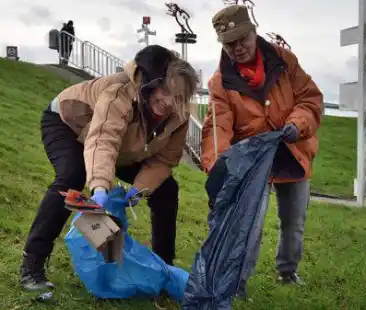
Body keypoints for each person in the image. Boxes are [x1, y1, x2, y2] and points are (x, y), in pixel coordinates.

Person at [19, 45, 199, 291]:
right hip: (68, 123)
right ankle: (32, 264)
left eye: (178, 98)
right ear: (155, 81)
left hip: (125, 146)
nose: (168, 102)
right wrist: (100, 188)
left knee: (166, 190)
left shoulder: (179, 115)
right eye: (166, 91)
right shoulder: (119, 92)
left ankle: (163, 269)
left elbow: (164, 160)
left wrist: (139, 188)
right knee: (72, 177)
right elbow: (103, 141)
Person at [201, 5, 323, 288]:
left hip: (294, 152)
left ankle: (288, 272)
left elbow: (311, 100)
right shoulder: (219, 83)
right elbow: (217, 127)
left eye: (242, 39)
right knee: (247, 224)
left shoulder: (285, 61)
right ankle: (238, 280)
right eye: (229, 44)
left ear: (253, 32)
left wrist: (297, 124)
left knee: (294, 222)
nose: (237, 48)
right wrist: (218, 167)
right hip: (252, 162)